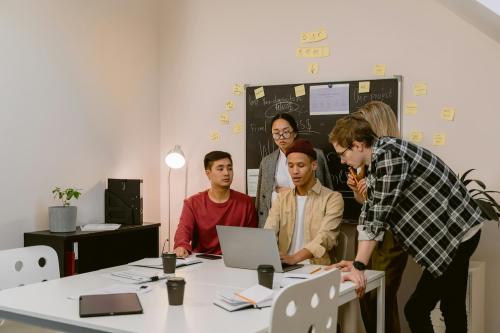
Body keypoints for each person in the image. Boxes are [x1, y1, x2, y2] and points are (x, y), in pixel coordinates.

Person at [328, 114, 484, 333]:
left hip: (458, 234)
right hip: (458, 232)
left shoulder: (389, 157)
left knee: (417, 310)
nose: (342, 161)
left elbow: (378, 216)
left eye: (342, 154)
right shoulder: (380, 154)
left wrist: (359, 266)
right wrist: (357, 262)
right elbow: (371, 207)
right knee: (451, 306)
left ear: (358, 145)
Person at [334, 101, 408, 333]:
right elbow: (366, 205)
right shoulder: (363, 157)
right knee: (364, 293)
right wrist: (358, 189)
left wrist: (358, 263)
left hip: (389, 235)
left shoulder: (391, 156)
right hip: (368, 233)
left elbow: (386, 208)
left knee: (381, 297)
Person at [264, 139, 343, 265]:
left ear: (314, 165)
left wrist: (295, 258)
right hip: (284, 265)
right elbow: (268, 231)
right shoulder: (282, 198)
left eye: (301, 165)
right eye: (290, 166)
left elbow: (326, 237)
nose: (295, 171)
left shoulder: (332, 198)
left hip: (316, 268)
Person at [173, 151, 257, 257]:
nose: (226, 173)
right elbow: (183, 231)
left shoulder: (246, 203)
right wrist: (181, 245)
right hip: (203, 262)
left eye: (229, 168)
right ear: (208, 174)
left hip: (236, 262)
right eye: (220, 169)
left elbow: (252, 240)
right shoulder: (192, 203)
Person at [256, 113, 333, 228]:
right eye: (276, 133)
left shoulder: (315, 155)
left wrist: (289, 192)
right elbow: (262, 200)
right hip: (277, 221)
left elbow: (325, 189)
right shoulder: (267, 162)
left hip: (308, 219)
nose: (281, 137)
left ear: (295, 133)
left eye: (286, 132)